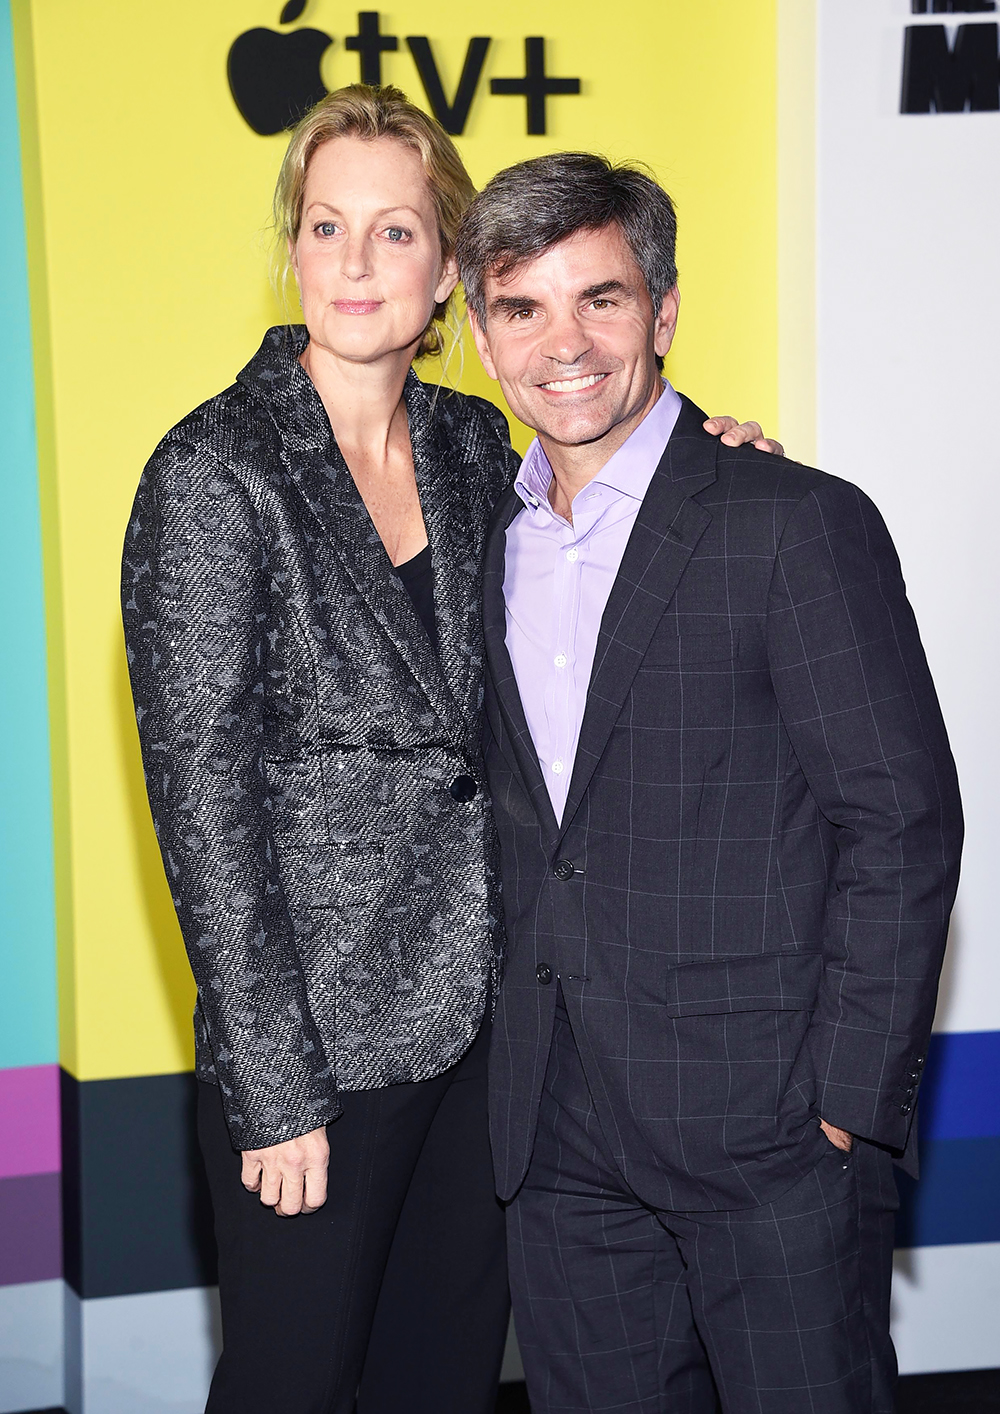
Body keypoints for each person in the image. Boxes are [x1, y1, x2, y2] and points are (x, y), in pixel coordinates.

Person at [121, 88, 776, 1413]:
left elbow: (618, 488)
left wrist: (715, 449)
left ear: (449, 273)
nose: (356, 263)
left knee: (442, 1379)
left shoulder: (481, 445)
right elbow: (203, 805)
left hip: (494, 1031)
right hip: (323, 1052)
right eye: (326, 226)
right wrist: (273, 1082)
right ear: (291, 248)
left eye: (398, 231)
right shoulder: (213, 470)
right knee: (293, 1385)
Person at [457, 152, 964, 1414]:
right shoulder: (480, 537)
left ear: (664, 311)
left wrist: (843, 1107)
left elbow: (900, 820)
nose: (562, 343)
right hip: (557, 1135)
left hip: (772, 1134)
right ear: (477, 332)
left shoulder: (788, 520)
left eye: (602, 299)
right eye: (522, 307)